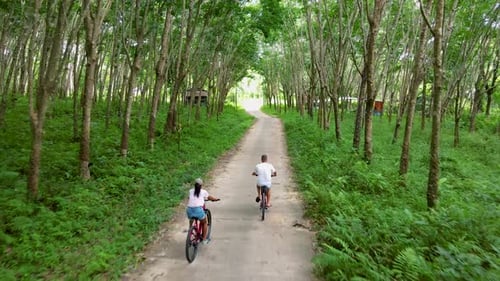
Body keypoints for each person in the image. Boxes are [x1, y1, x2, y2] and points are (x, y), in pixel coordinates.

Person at [186, 178, 219, 244]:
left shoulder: (190, 191)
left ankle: (190, 233)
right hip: (198, 210)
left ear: (194, 185)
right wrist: (215, 199)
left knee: (191, 219)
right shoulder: (203, 191)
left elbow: (189, 198)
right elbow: (209, 197)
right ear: (201, 185)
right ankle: (204, 240)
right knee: (204, 223)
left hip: (189, 210)